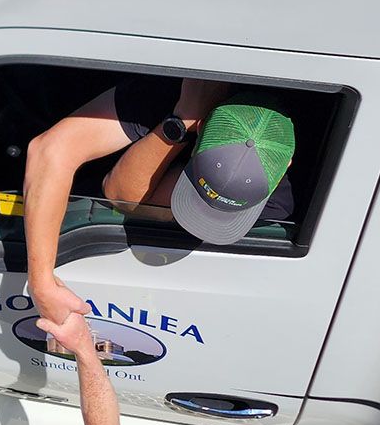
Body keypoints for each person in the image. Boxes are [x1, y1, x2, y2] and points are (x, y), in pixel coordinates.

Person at [23, 76, 296, 324]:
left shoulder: (278, 206)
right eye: (200, 191)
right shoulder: (162, 95)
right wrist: (42, 283)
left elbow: (125, 197)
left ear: (288, 167)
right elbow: (51, 152)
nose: (205, 211)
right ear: (200, 129)